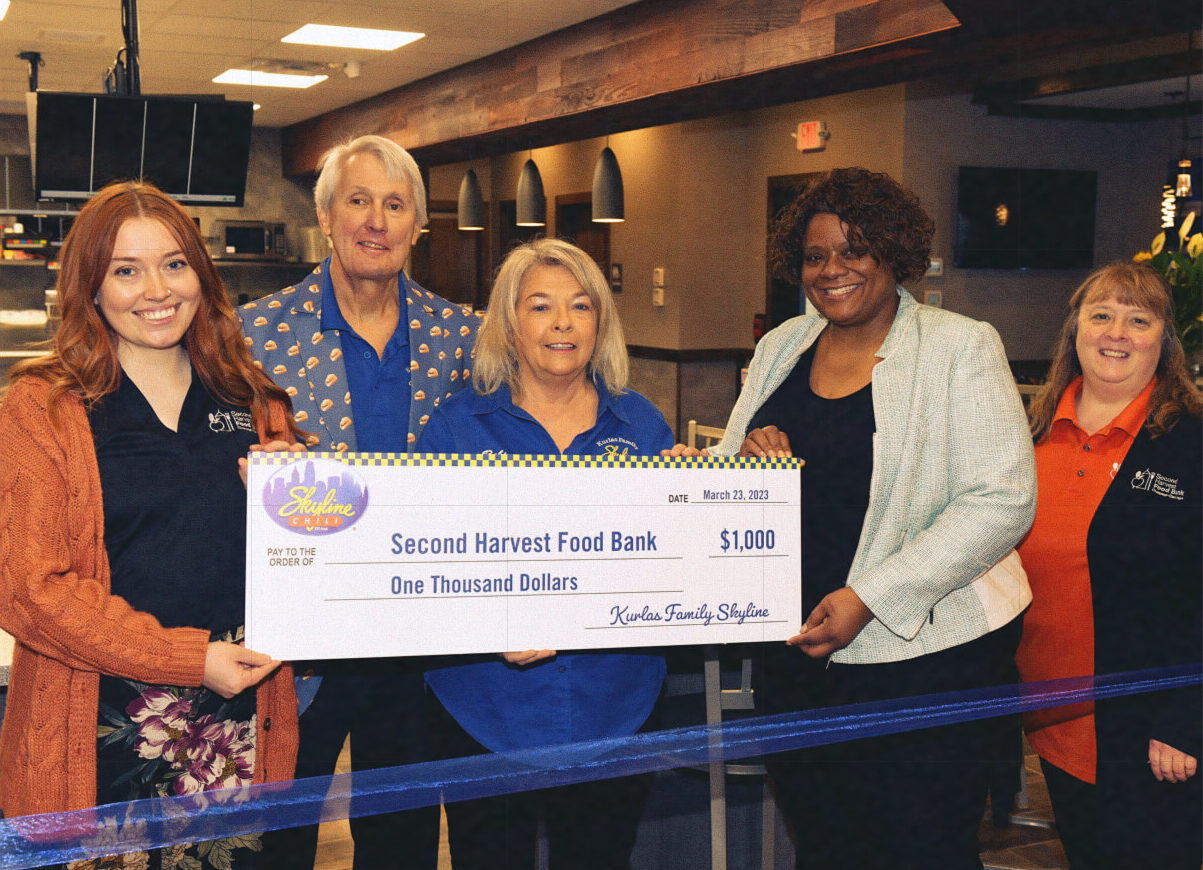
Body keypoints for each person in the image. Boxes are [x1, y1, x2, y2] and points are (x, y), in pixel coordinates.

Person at [708, 168, 1036, 869]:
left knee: (921, 851)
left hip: (925, 663)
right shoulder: (779, 348)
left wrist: (871, 599)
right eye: (814, 256)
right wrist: (748, 457)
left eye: (853, 250)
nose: (832, 270)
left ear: (893, 252)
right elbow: (727, 479)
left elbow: (1000, 499)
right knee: (824, 847)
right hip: (796, 656)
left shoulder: (957, 346)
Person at [0, 181, 302, 866]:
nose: (156, 289)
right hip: (96, 721)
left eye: (174, 264)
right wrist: (188, 660)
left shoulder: (251, 398)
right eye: (125, 270)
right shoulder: (42, 407)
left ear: (200, 271)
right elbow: (29, 589)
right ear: (90, 287)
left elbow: (305, 560)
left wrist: (300, 505)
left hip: (240, 717)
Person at [239, 134, 479, 869]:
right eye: (359, 200)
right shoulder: (257, 335)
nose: (376, 220)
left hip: (416, 641)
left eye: (395, 204)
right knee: (276, 836)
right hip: (299, 645)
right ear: (326, 216)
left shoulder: (463, 338)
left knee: (402, 840)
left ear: (416, 225)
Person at [417, 238, 672, 870]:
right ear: (508, 324)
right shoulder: (454, 428)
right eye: (540, 306)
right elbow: (420, 571)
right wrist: (485, 618)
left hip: (618, 706)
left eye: (581, 306)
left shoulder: (644, 427)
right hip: (483, 710)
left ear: (600, 323)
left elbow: (670, 567)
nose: (562, 322)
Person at [1015, 262, 1201, 869]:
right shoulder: (1031, 434)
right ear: (1075, 331)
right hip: (1052, 719)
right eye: (1101, 315)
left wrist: (1184, 719)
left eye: (1138, 320)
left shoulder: (1190, 442)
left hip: (1148, 731)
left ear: (1163, 341)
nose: (1116, 332)